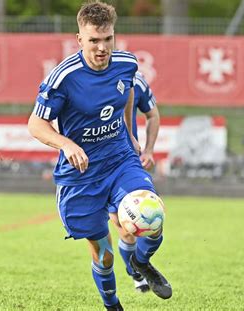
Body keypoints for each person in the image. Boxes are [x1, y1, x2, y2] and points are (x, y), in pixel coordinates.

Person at [27, 2, 171, 310]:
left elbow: (128, 90)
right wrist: (65, 144)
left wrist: (130, 133)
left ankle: (141, 263)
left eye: (108, 39)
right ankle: (111, 304)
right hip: (81, 177)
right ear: (80, 40)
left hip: (119, 160)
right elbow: (35, 124)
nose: (102, 48)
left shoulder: (126, 64)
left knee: (153, 214)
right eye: (94, 40)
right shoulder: (63, 77)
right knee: (103, 254)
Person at [113, 70, 160, 293]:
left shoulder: (134, 80)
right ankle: (136, 273)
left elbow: (152, 114)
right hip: (97, 167)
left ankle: (141, 263)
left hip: (127, 162)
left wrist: (149, 150)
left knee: (149, 219)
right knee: (123, 229)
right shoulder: (82, 79)